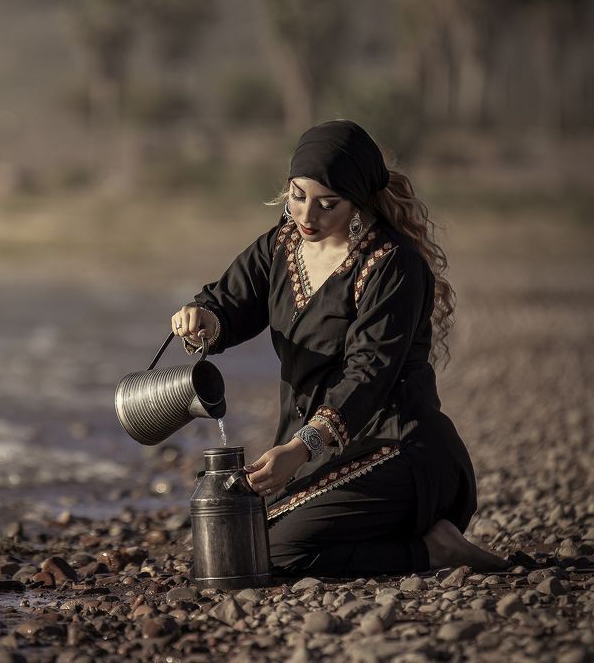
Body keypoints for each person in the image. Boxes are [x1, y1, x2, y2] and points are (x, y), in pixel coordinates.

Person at [171, 120, 507, 577]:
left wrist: (300, 447)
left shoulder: (392, 265)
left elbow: (368, 375)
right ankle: (395, 540)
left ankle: (434, 550)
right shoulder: (280, 246)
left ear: (358, 201)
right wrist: (202, 316)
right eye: (297, 196)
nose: (307, 217)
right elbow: (228, 303)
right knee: (237, 541)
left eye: (328, 204)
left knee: (271, 556)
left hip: (399, 450)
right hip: (315, 456)